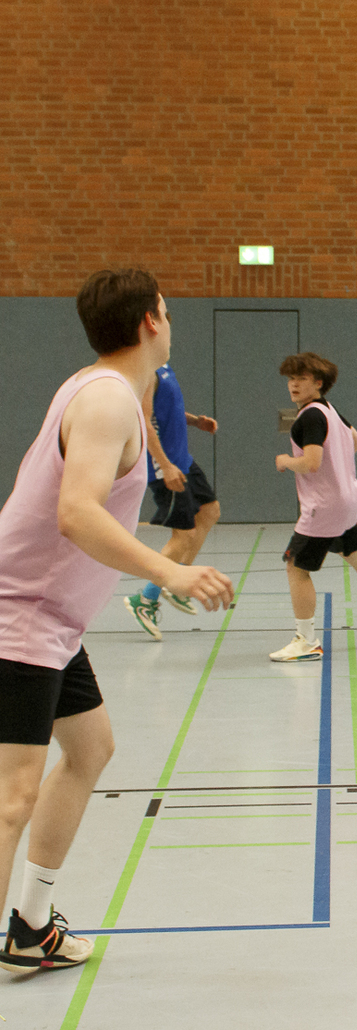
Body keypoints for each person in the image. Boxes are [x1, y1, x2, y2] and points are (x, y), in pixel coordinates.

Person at [0, 269, 234, 975]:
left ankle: (31, 924)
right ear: (148, 322)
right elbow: (75, 513)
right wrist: (170, 571)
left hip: (54, 621)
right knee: (13, 795)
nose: (171, 319)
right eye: (166, 309)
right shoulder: (105, 399)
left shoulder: (102, 390)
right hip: (20, 615)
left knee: (91, 747)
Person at [269, 353, 357, 662]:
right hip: (347, 498)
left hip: (324, 505)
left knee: (296, 566)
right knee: (353, 551)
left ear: (318, 383)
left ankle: (306, 641)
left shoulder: (310, 417)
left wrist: (285, 461)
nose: (293, 385)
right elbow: (355, 441)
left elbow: (312, 463)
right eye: (291, 379)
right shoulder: (331, 411)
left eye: (301, 379)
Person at [124, 363, 221, 640]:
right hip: (164, 466)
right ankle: (145, 601)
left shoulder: (164, 368)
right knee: (183, 536)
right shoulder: (146, 373)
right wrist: (165, 466)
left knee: (210, 511)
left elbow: (169, 411)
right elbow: (144, 420)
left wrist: (195, 421)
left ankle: (176, 583)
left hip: (184, 461)